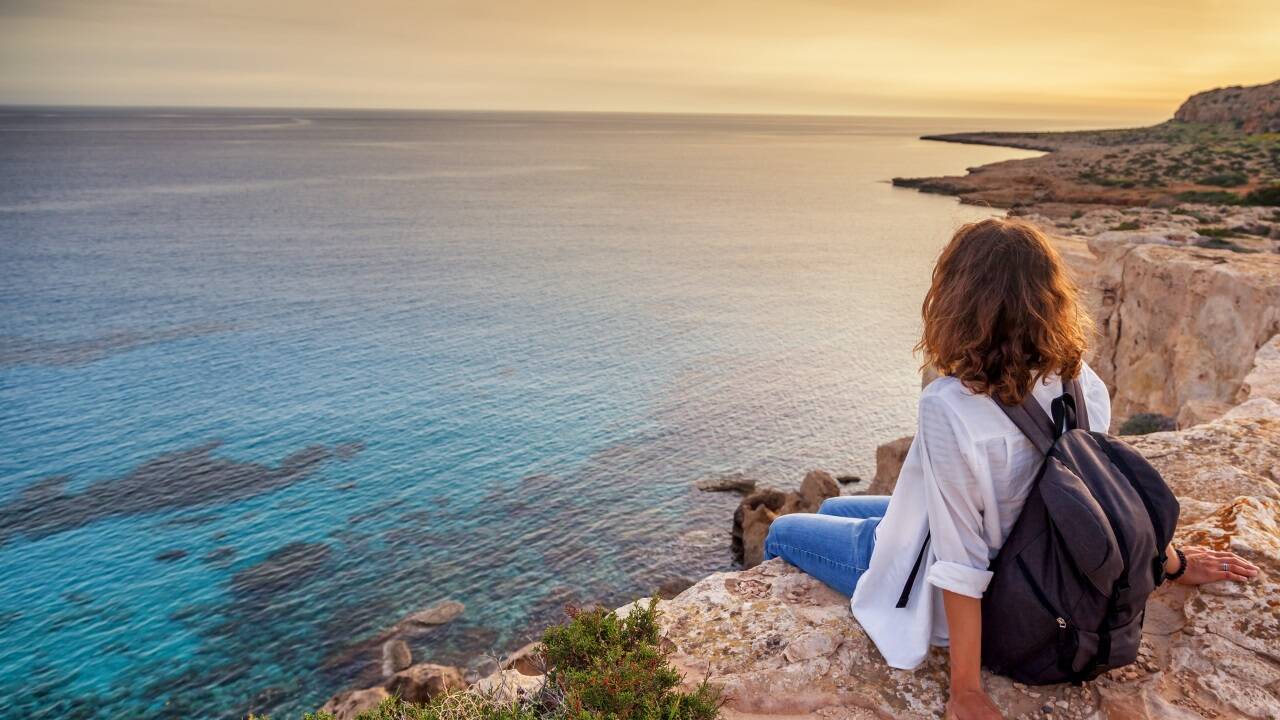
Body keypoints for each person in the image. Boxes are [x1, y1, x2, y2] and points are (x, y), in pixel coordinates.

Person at [762, 218, 1260, 720]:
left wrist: (966, 690)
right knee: (835, 503)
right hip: (1038, 547)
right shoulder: (1080, 381)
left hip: (994, 585)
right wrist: (1170, 563)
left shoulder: (951, 406)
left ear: (956, 301)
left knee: (783, 531)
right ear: (1050, 297)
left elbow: (961, 558)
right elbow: (1105, 489)